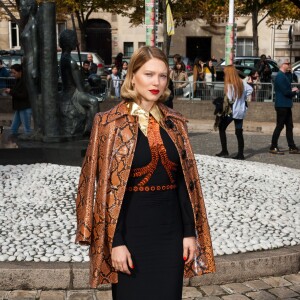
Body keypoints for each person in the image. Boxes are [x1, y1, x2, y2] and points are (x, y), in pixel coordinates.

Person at [75, 46, 215, 299]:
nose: (156, 82)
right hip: (131, 233)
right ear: (132, 76)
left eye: (162, 76)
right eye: (149, 74)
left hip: (171, 235)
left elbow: (186, 185)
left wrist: (189, 233)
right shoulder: (108, 123)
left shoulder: (176, 123)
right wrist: (115, 242)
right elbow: (102, 189)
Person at [216, 65, 253, 160]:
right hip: (241, 110)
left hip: (232, 111)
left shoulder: (230, 84)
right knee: (239, 132)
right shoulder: (242, 82)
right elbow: (250, 89)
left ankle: (224, 151)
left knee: (221, 127)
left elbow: (230, 97)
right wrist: (244, 97)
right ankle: (241, 154)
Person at [269, 58, 300, 155]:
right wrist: (294, 91)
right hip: (282, 105)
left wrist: (290, 73)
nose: (289, 64)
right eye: (287, 63)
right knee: (279, 126)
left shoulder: (284, 75)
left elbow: (289, 80)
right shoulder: (280, 77)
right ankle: (273, 146)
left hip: (286, 105)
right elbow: (286, 92)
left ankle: (292, 147)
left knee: (289, 126)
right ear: (282, 65)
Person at [5, 64, 32, 135]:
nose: (12, 74)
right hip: (20, 107)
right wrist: (10, 91)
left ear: (20, 72)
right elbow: (17, 93)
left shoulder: (25, 81)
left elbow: (23, 95)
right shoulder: (18, 80)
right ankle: (14, 143)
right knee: (13, 129)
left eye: (14, 73)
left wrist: (11, 91)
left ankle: (29, 145)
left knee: (27, 130)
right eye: (11, 73)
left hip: (25, 108)